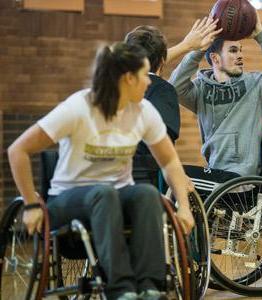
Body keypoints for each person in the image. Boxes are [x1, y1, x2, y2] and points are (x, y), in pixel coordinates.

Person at [8, 42, 194, 300]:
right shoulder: (79, 107)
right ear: (128, 79)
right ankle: (121, 289)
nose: (149, 83)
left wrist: (183, 206)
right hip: (67, 201)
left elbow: (169, 161)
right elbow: (17, 150)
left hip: (115, 197)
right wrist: (30, 204)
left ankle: (151, 287)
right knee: (103, 194)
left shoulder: (143, 111)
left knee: (147, 194)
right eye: (144, 76)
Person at [169, 12, 262, 177]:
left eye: (240, 50)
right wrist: (198, 50)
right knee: (172, 177)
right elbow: (173, 87)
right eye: (233, 51)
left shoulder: (257, 85)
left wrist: (261, 36)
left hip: (243, 177)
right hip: (215, 172)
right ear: (215, 59)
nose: (240, 56)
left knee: (179, 178)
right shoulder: (200, 90)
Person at [124, 18, 221, 145]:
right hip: (144, 163)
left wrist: (186, 45)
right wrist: (187, 46)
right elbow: (162, 143)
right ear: (162, 60)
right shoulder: (163, 89)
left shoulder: (112, 83)